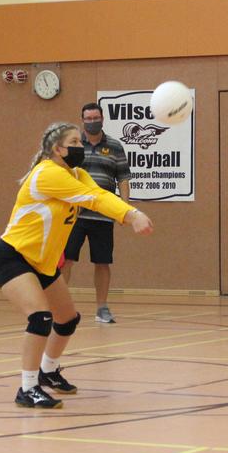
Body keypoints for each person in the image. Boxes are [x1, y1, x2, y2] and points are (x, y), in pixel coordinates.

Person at [0, 122, 153, 408]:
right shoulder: (48, 173)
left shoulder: (75, 173)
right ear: (57, 149)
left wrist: (130, 211)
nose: (81, 146)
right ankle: (27, 388)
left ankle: (48, 371)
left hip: (43, 264)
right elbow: (93, 199)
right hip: (13, 256)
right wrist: (130, 215)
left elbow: (102, 193)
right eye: (75, 142)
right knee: (40, 317)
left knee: (67, 319)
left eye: (80, 141)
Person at [62, 103, 132, 324]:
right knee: (66, 261)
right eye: (88, 118)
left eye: (96, 117)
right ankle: (60, 306)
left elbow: (123, 179)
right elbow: (59, 175)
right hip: (74, 215)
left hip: (102, 216)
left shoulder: (114, 146)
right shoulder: (72, 146)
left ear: (102, 118)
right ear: (82, 120)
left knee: (102, 262)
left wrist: (124, 210)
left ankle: (102, 308)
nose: (92, 121)